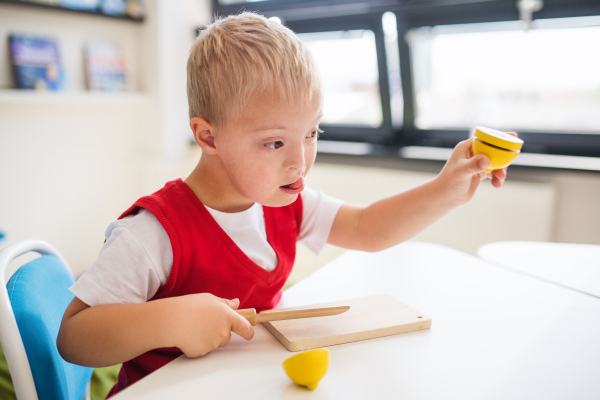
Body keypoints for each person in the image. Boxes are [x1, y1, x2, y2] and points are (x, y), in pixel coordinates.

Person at [57, 12, 513, 397]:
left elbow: (368, 228)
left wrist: (445, 190)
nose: (301, 161)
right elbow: (75, 338)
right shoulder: (152, 233)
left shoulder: (282, 201)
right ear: (208, 136)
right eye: (275, 142)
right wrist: (168, 318)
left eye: (312, 133)